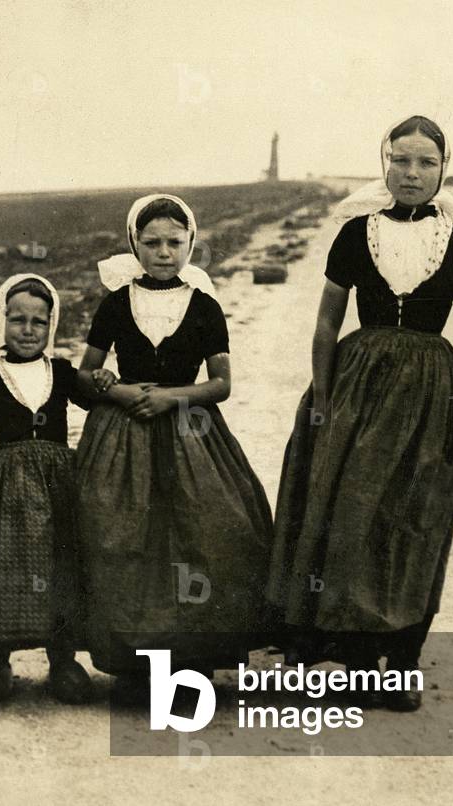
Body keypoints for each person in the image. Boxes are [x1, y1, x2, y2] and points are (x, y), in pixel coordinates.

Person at [266, 116, 453, 711]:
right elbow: (326, 324)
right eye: (400, 161)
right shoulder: (354, 234)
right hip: (356, 387)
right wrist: (322, 398)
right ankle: (357, 656)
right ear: (384, 164)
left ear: (443, 169)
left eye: (426, 163)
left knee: (415, 518)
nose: (412, 174)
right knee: (348, 515)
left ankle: (402, 659)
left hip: (429, 393)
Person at [76, 194, 273, 700]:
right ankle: (136, 661)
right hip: (125, 434)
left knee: (205, 533)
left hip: (192, 433)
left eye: (174, 242)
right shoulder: (115, 303)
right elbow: (85, 375)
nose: (163, 252)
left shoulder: (204, 305)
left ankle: (193, 659)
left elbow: (221, 384)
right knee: (125, 537)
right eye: (152, 243)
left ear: (190, 244)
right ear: (134, 245)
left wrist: (170, 398)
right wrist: (117, 390)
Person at [0, 273, 94, 704]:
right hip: (6, 487)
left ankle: (63, 660)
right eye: (17, 320)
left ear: (52, 325)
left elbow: (98, 406)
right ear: (2, 321)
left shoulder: (62, 372)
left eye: (39, 321)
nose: (28, 330)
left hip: (58, 483)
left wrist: (103, 380)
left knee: (61, 566)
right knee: (3, 569)